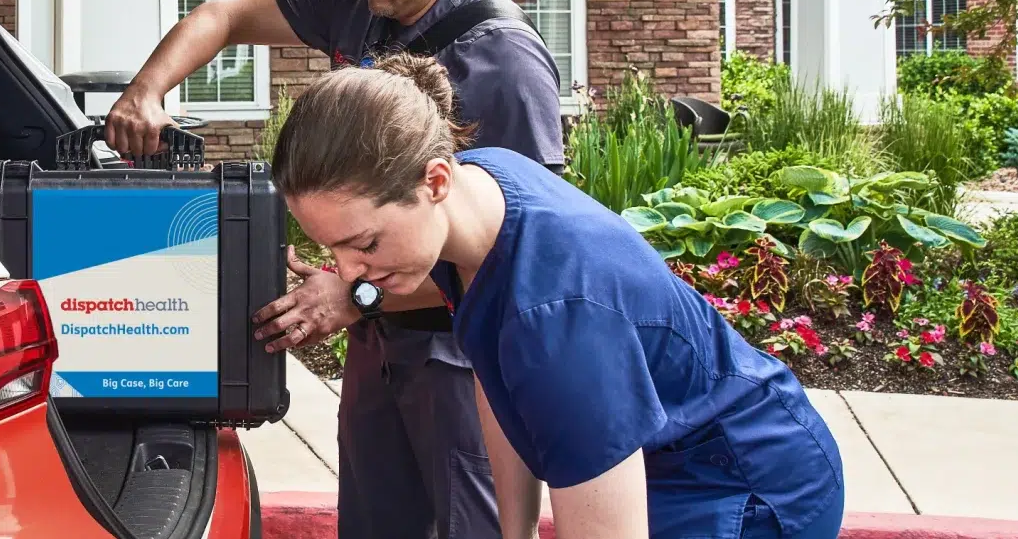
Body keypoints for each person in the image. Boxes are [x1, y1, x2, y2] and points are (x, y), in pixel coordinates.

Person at [105, 0, 566, 538]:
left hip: (464, 356)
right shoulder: (355, 0)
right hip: (380, 340)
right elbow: (222, 17)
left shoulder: (502, 60)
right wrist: (145, 92)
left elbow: (527, 254)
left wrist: (355, 293)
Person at [266, 53, 848, 539]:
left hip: (745, 481)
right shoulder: (479, 195)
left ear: (434, 181)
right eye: (331, 248)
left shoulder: (557, 316)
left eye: (363, 242)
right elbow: (495, 376)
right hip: (671, 457)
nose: (349, 272)